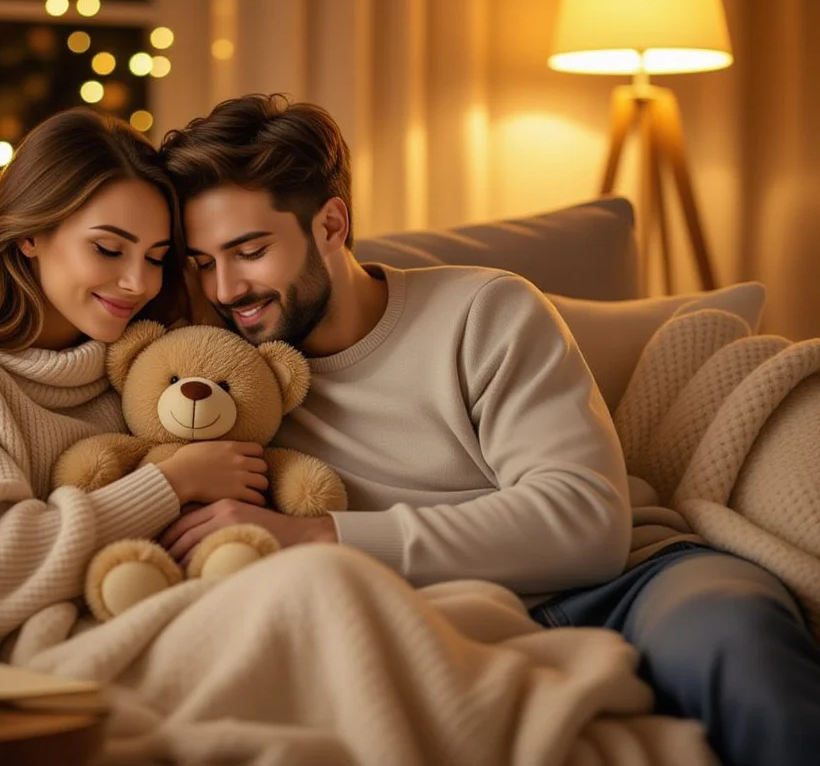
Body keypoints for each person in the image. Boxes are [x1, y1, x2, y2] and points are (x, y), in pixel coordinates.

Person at [157, 93, 820, 766]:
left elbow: (585, 520)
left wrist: (315, 535)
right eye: (203, 261)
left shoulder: (483, 310)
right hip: (448, 628)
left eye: (249, 250)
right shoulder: (223, 373)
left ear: (330, 224)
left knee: (741, 647)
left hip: (624, 586)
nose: (226, 288)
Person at [0, 107, 270, 647]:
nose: (138, 283)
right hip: (74, 648)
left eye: (156, 257)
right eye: (108, 249)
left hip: (211, 606)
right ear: (31, 234)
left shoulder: (153, 358)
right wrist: (173, 481)